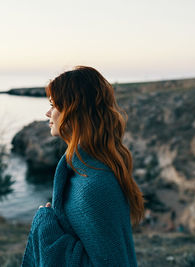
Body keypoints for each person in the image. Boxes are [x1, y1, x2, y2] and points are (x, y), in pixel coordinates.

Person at [21, 66, 145, 267]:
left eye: (53, 105)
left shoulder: (94, 186)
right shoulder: (84, 172)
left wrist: (46, 227)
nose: (47, 113)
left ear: (73, 111)